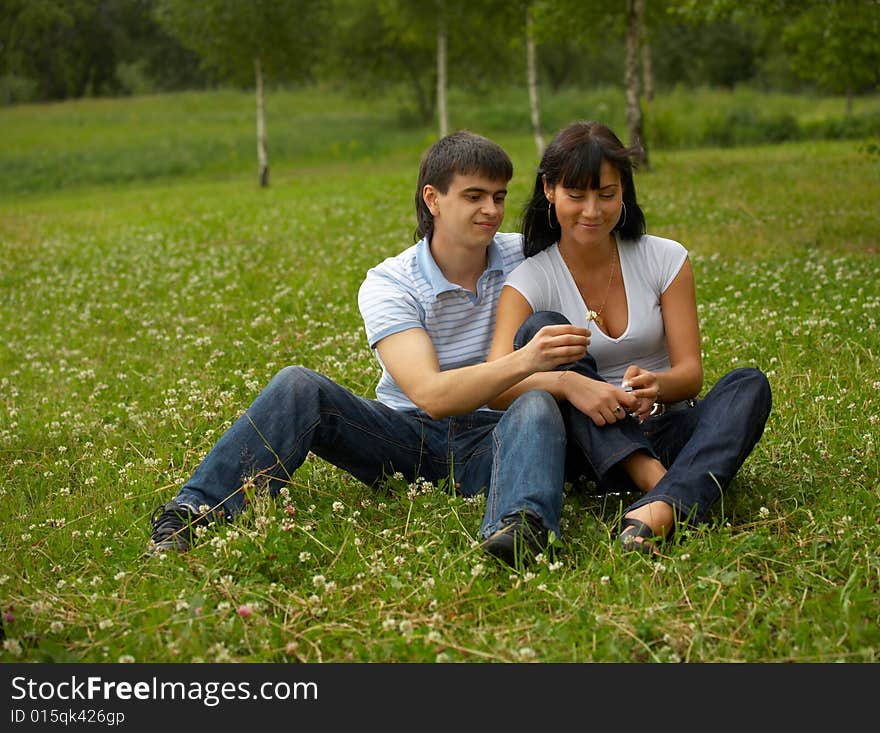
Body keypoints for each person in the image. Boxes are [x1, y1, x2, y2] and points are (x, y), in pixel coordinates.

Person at [148, 130, 591, 567]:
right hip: (404, 439)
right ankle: (191, 515)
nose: (491, 210)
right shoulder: (392, 282)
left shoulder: (525, 257)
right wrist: (527, 361)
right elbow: (431, 395)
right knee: (299, 385)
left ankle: (519, 527)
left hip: (499, 437)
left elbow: (595, 235)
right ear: (433, 199)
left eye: (499, 196)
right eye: (474, 196)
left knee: (534, 401)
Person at [487, 120, 772, 555]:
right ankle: (662, 489)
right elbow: (498, 385)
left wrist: (658, 385)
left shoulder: (665, 257)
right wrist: (577, 387)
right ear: (549, 190)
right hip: (589, 450)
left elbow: (690, 373)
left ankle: (662, 502)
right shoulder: (531, 280)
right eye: (576, 195)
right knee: (543, 325)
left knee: (748, 384)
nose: (592, 211)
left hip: (664, 425)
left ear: (624, 191)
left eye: (606, 194)